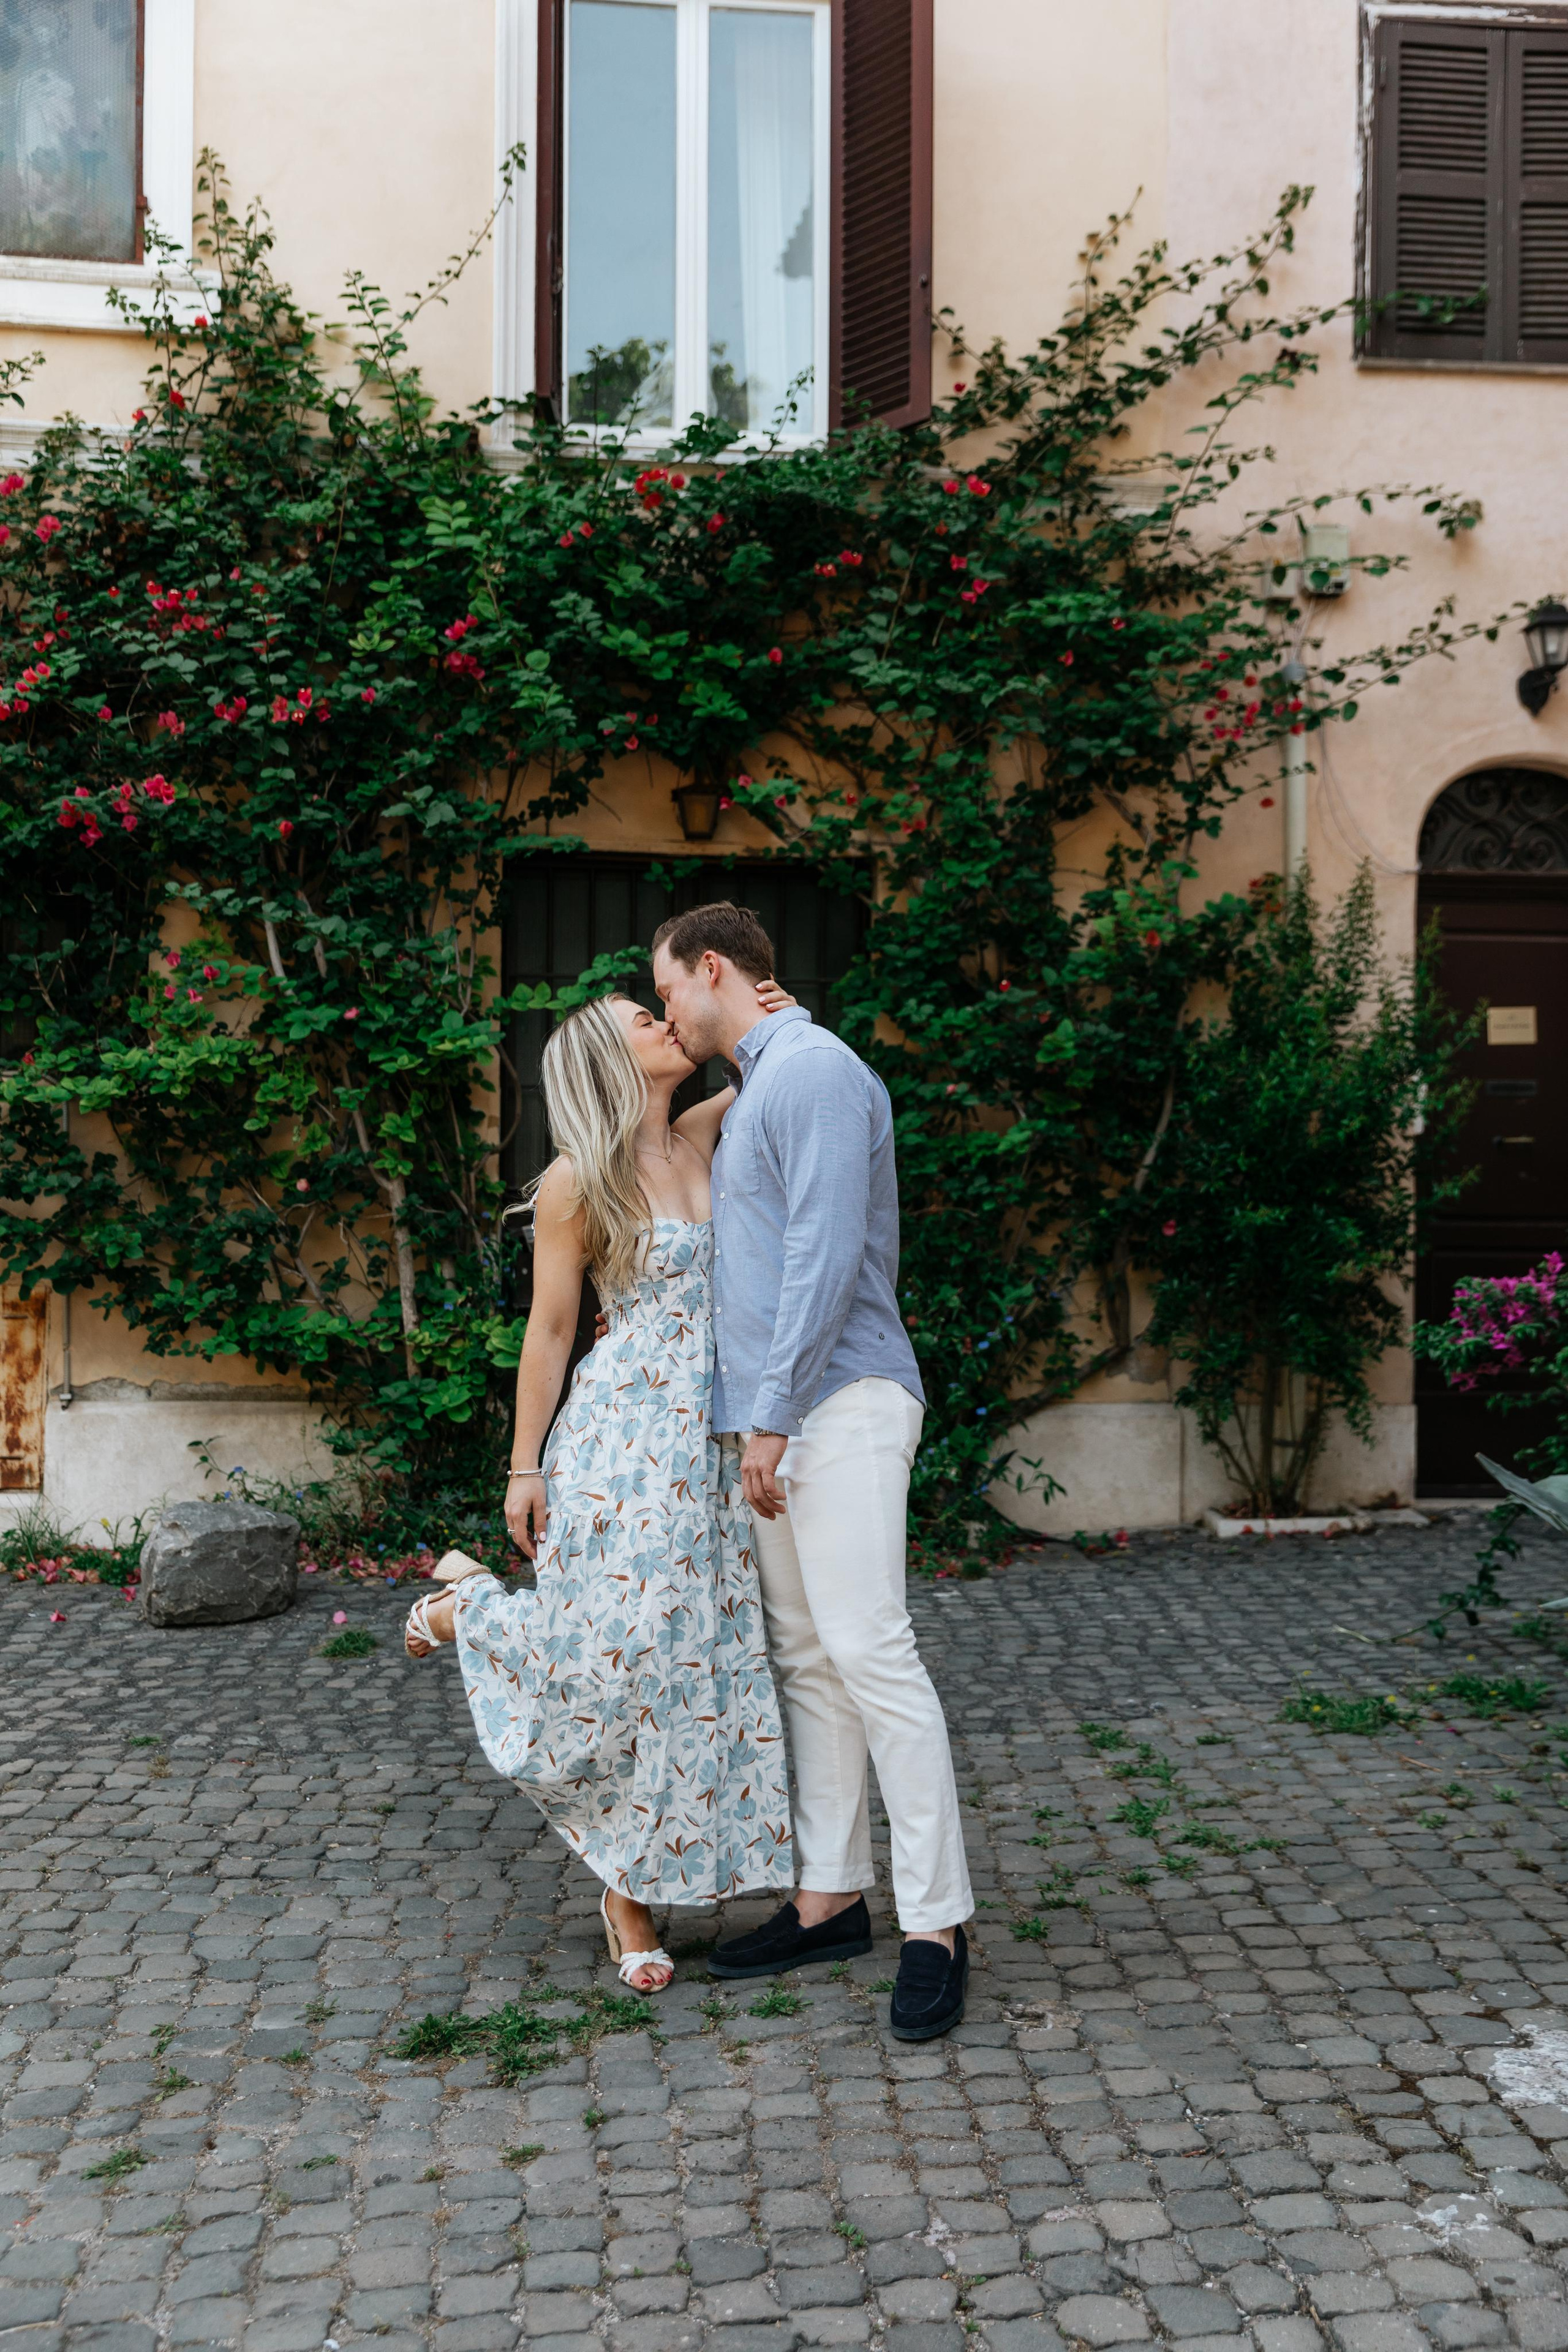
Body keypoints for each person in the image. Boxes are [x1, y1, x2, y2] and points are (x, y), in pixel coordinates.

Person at [403, 981, 797, 1993]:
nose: (669, 1027)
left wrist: (778, 1009)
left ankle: (634, 1888)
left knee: (686, 1666)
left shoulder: (706, 1134)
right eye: (645, 1023)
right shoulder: (581, 1180)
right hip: (620, 1443)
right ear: (613, 1063)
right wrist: (523, 1466)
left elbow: (771, 1063)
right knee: (615, 1660)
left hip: (708, 1447)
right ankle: (471, 1614)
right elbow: (549, 1332)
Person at [650, 902, 974, 2041]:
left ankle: (938, 1925)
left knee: (873, 1652)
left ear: (712, 969)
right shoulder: (771, 1075)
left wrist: (773, 1418)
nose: (666, 1015)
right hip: (778, 1421)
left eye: (670, 993)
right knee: (809, 1661)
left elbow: (829, 1253)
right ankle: (830, 1899)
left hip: (838, 1405)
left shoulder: (818, 1073)